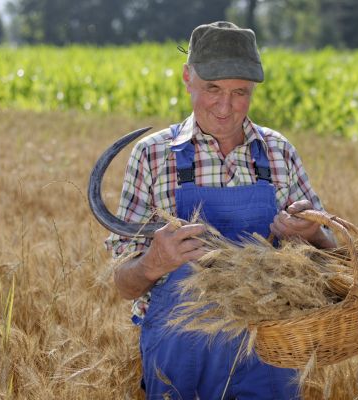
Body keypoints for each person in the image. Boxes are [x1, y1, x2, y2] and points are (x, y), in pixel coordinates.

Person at [105, 21, 336, 399]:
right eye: (212, 89)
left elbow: (334, 259)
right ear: (187, 78)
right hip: (181, 359)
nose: (226, 107)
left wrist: (313, 235)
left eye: (239, 92)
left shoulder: (279, 153)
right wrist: (153, 263)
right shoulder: (151, 156)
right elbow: (121, 283)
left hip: (267, 358)